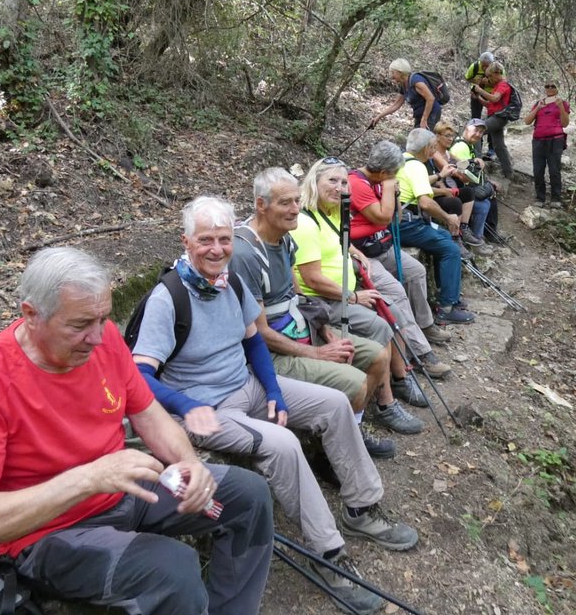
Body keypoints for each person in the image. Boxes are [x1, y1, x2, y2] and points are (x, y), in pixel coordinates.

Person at [0, 246, 274, 615]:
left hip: (122, 491)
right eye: (81, 325)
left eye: (103, 319)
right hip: (48, 533)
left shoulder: (106, 339)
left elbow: (147, 413)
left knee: (249, 495)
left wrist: (189, 463)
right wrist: (89, 478)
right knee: (171, 570)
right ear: (32, 315)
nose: (98, 337)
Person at [130, 197, 418, 615]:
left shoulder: (230, 281)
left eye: (224, 239)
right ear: (186, 242)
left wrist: (273, 392)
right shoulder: (167, 297)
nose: (216, 249)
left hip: (246, 385)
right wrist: (186, 403)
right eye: (205, 240)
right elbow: (139, 376)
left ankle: (360, 506)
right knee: (283, 444)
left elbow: (253, 340)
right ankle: (329, 554)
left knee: (335, 404)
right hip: (205, 410)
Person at [229, 166, 397, 459]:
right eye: (286, 203)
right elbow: (260, 332)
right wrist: (318, 354)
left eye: (297, 200)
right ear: (260, 204)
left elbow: (298, 296)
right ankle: (331, 454)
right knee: (354, 381)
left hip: (302, 330)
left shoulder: (284, 239)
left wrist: (323, 330)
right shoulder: (245, 254)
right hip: (271, 354)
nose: (296, 209)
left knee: (378, 355)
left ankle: (349, 432)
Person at [290, 157, 445, 402]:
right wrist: (353, 296)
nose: (339, 187)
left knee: (395, 312)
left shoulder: (331, 212)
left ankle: (401, 377)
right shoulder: (305, 224)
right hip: (322, 299)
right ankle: (386, 401)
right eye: (331, 180)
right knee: (381, 325)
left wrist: (354, 251)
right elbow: (312, 279)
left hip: (344, 292)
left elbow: (339, 240)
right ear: (314, 181)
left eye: (343, 182)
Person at [346, 143, 455, 360]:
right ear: (385, 172)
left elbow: (394, 219)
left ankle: (425, 325)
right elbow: (382, 217)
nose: (396, 177)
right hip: (362, 254)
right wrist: (388, 187)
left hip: (383, 246)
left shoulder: (379, 182)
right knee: (396, 291)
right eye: (394, 174)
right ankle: (420, 352)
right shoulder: (356, 183)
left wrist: (394, 194)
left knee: (415, 271)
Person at [397, 129, 476, 326]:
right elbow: (425, 202)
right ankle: (446, 308)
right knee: (451, 249)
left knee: (443, 237)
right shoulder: (417, 167)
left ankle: (448, 293)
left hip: (399, 221)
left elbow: (419, 185)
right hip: (408, 225)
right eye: (432, 148)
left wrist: (439, 178)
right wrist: (448, 217)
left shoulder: (401, 161)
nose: (433, 151)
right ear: (424, 148)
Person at [431, 121, 493, 250]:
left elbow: (461, 163)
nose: (450, 139)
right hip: (439, 189)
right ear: (437, 136)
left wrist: (474, 161)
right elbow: (449, 168)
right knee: (461, 201)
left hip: (451, 186)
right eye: (447, 135)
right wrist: (461, 172)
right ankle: (456, 237)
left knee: (470, 193)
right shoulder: (434, 152)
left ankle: (464, 229)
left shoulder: (447, 152)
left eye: (452, 135)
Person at [447, 119, 501, 242]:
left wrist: (488, 182)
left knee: (490, 195)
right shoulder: (461, 147)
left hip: (464, 188)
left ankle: (489, 234)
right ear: (466, 128)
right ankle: (477, 237)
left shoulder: (468, 145)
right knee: (484, 203)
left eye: (481, 132)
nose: (478, 134)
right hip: (457, 190)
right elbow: (466, 176)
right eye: (476, 130)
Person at [524, 81, 571, 209]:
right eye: (547, 86)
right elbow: (527, 121)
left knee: (554, 169)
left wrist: (560, 106)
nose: (550, 88)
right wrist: (538, 108)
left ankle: (556, 198)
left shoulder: (563, 103)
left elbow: (565, 123)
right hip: (538, 140)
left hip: (555, 140)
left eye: (553, 86)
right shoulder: (538, 103)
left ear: (557, 89)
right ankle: (540, 198)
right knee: (538, 170)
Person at [471, 60, 515, 181]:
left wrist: (480, 90)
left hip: (499, 118)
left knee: (476, 131)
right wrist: (478, 97)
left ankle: (478, 165)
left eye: (490, 76)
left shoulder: (503, 84)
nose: (489, 79)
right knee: (499, 145)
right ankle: (508, 173)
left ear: (497, 73)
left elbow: (495, 99)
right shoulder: (497, 85)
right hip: (494, 116)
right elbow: (490, 104)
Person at [369, 58, 440, 130]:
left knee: (424, 139)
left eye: (393, 72)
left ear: (400, 72)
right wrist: (379, 116)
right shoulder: (404, 84)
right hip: (420, 115)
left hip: (431, 114)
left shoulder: (416, 81)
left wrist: (424, 119)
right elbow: (396, 105)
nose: (391, 76)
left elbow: (430, 99)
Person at [464, 51, 496, 155]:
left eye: (487, 66)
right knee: (475, 120)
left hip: (492, 96)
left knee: (492, 120)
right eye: (483, 65)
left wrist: (490, 82)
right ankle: (477, 146)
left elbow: (503, 81)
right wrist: (476, 83)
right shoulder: (475, 66)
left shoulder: (497, 68)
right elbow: (467, 78)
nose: (484, 67)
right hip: (476, 95)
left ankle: (492, 148)